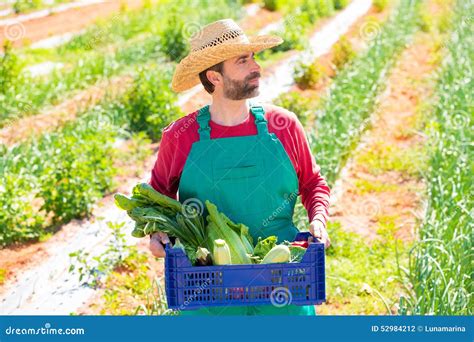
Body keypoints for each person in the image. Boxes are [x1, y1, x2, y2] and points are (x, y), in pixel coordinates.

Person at [148, 19, 331, 315]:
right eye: (242, 60)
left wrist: (319, 220)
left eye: (254, 57)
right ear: (214, 77)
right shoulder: (181, 136)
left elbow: (312, 183)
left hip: (281, 278)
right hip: (208, 288)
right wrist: (157, 234)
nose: (256, 66)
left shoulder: (282, 126)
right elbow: (158, 199)